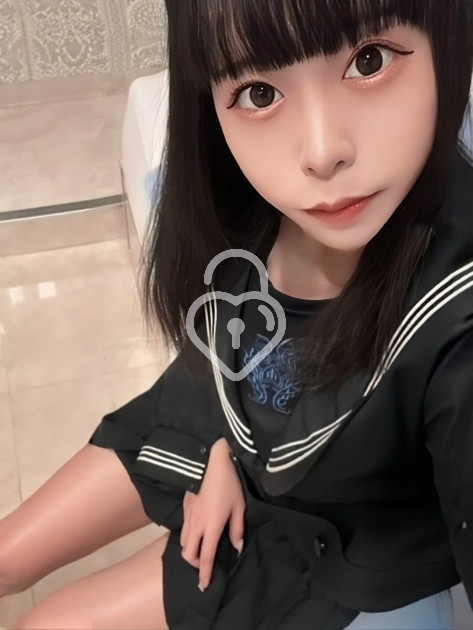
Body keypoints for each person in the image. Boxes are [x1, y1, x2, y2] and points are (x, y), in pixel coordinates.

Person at [2, 0, 473, 628]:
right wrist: (222, 451)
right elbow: (223, 335)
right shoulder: (239, 194)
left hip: (320, 532)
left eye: (369, 61)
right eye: (259, 93)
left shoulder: (455, 308)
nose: (322, 151)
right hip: (213, 411)